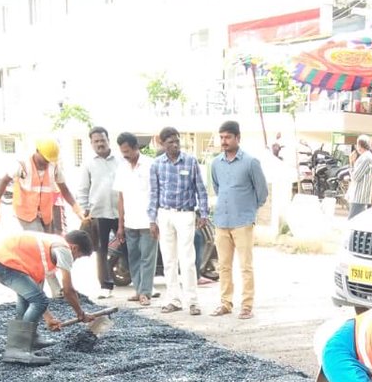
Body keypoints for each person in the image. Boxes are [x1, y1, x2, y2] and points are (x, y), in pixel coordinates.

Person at [0, 229, 92, 366]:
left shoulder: (47, 247)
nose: (74, 260)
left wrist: (48, 318)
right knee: (40, 300)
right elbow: (68, 290)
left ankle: (31, 338)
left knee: (28, 298)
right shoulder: (64, 249)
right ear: (74, 247)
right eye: (77, 256)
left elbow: (35, 293)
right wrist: (81, 314)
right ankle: (18, 349)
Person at [210, 120, 267, 320]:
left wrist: (248, 210)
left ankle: (246, 306)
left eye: (228, 137)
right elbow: (218, 188)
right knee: (223, 266)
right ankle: (225, 303)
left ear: (238, 138)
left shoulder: (251, 162)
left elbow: (262, 192)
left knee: (245, 266)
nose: (224, 141)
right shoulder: (215, 163)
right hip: (221, 221)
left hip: (243, 222)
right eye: (222, 137)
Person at [149, 127, 209, 315]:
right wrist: (152, 219)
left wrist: (204, 213)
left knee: (187, 259)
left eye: (177, 141)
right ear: (162, 144)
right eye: (170, 142)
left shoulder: (190, 162)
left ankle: (192, 301)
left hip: (185, 214)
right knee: (168, 259)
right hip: (165, 214)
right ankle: (174, 299)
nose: (175, 145)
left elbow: (201, 189)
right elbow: (154, 193)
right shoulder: (157, 164)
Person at [0, 137, 85, 233]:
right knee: (38, 242)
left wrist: (77, 209)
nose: (47, 163)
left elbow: (65, 190)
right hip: (26, 214)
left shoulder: (54, 167)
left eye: (50, 161)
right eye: (45, 159)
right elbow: (4, 182)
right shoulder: (23, 164)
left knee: (47, 243)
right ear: (37, 151)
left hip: (46, 215)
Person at [112, 132, 158, 306]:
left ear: (136, 147)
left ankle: (146, 292)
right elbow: (121, 198)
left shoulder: (150, 165)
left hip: (148, 221)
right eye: (122, 152)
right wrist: (120, 225)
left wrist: (155, 220)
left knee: (148, 257)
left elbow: (156, 194)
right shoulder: (122, 168)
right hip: (130, 221)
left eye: (127, 151)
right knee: (134, 257)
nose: (125, 155)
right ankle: (138, 290)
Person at [76, 125, 120, 298]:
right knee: (101, 250)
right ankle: (105, 285)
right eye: (96, 141)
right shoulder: (88, 164)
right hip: (98, 213)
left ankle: (140, 284)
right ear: (91, 143)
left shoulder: (119, 160)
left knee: (129, 246)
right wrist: (85, 210)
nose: (100, 144)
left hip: (120, 212)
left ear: (108, 140)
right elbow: (83, 189)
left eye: (102, 140)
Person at [347, 135, 372, 219]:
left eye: (357, 145)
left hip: (359, 195)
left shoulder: (366, 158)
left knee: (352, 220)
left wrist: (351, 163)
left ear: (360, 145)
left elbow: (355, 177)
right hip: (360, 195)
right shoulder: (368, 156)